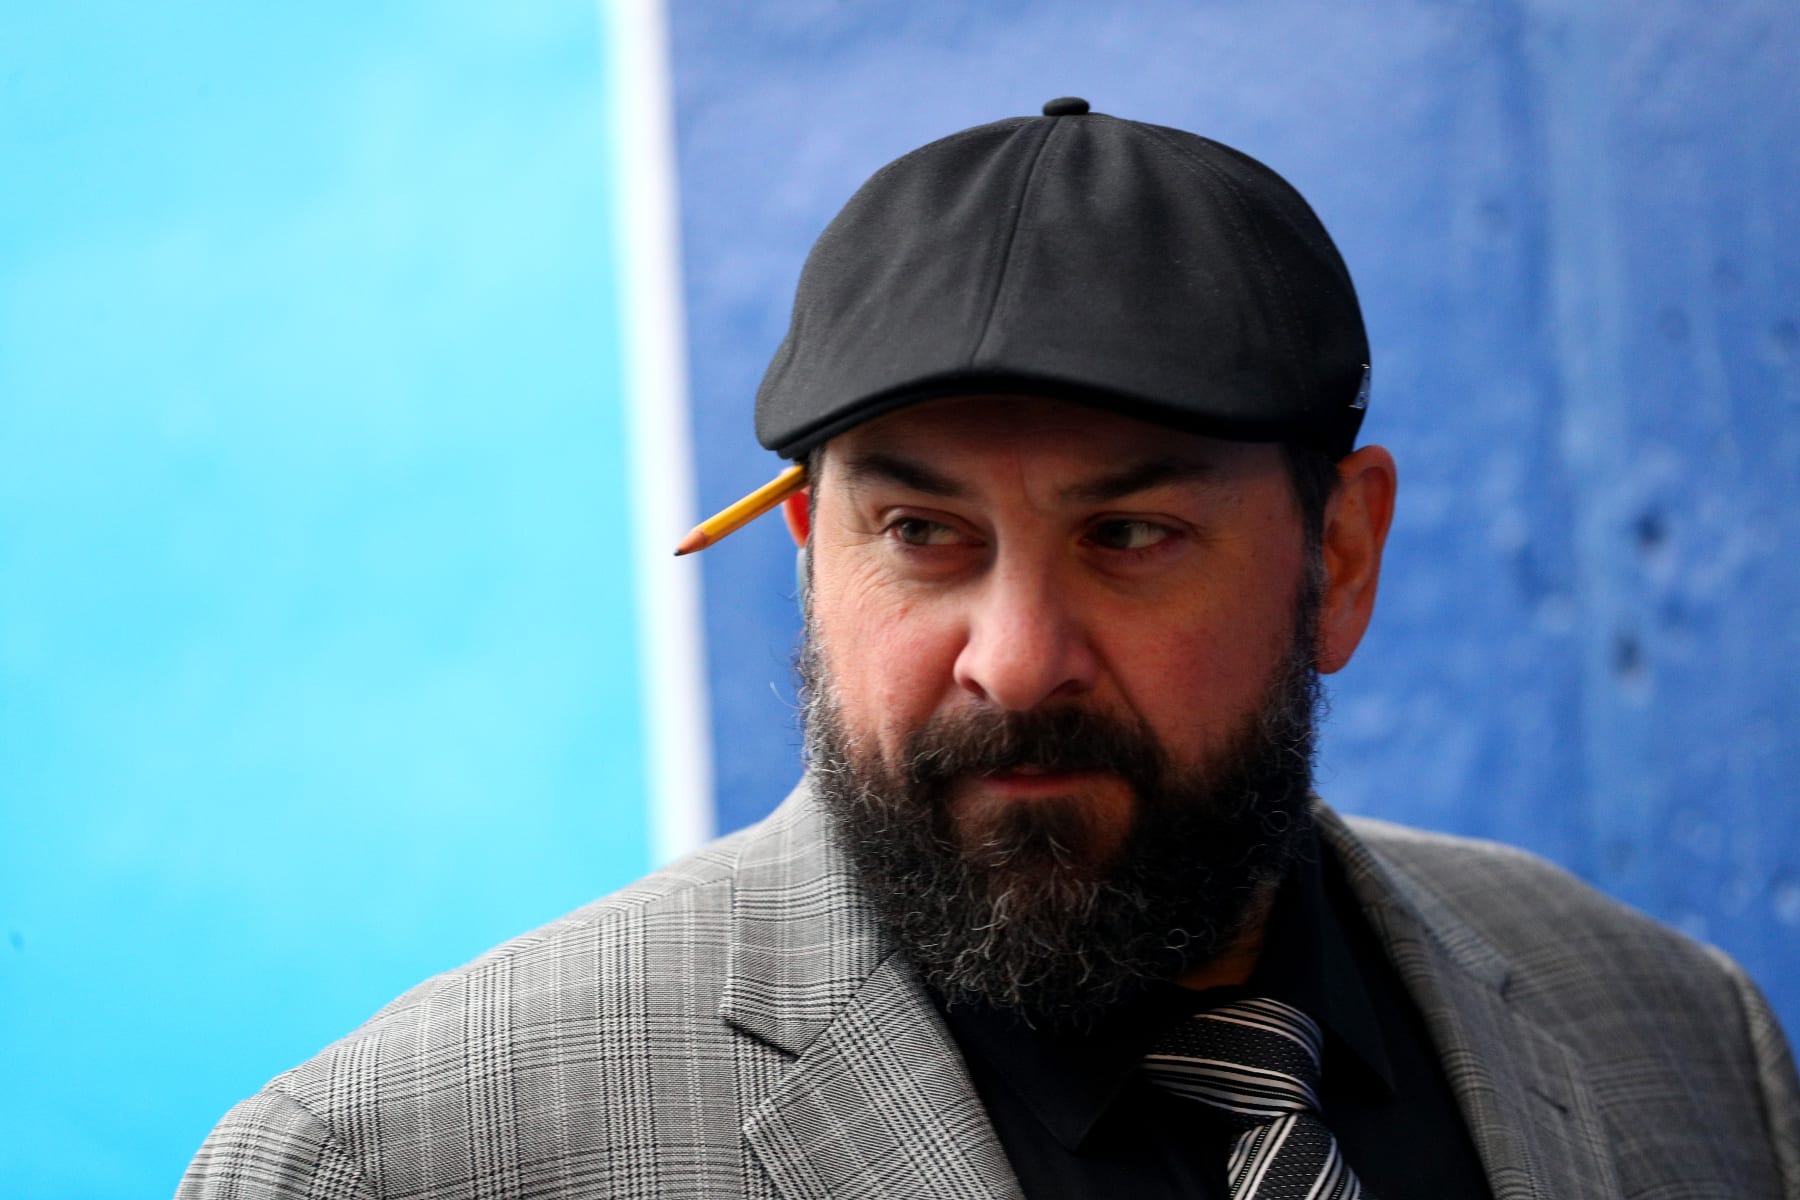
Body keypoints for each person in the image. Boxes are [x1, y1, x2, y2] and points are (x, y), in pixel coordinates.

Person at [181, 99, 1798, 1199]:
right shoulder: (392, 1165)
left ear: (1340, 559)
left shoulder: (1680, 1042)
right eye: (921, 533)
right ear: (810, 558)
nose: (1015, 665)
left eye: (1131, 535)